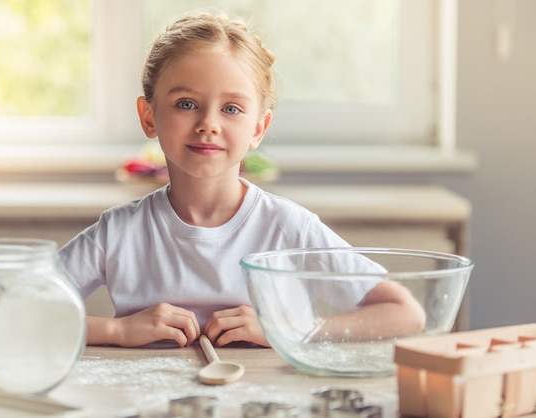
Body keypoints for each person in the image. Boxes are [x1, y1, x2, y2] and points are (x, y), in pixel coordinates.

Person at [59, 11, 425, 349]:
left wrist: (286, 328)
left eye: (231, 108)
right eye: (186, 103)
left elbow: (405, 313)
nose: (209, 124)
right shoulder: (119, 232)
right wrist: (117, 330)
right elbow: (14, 309)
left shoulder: (289, 229)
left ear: (258, 129)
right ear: (149, 115)